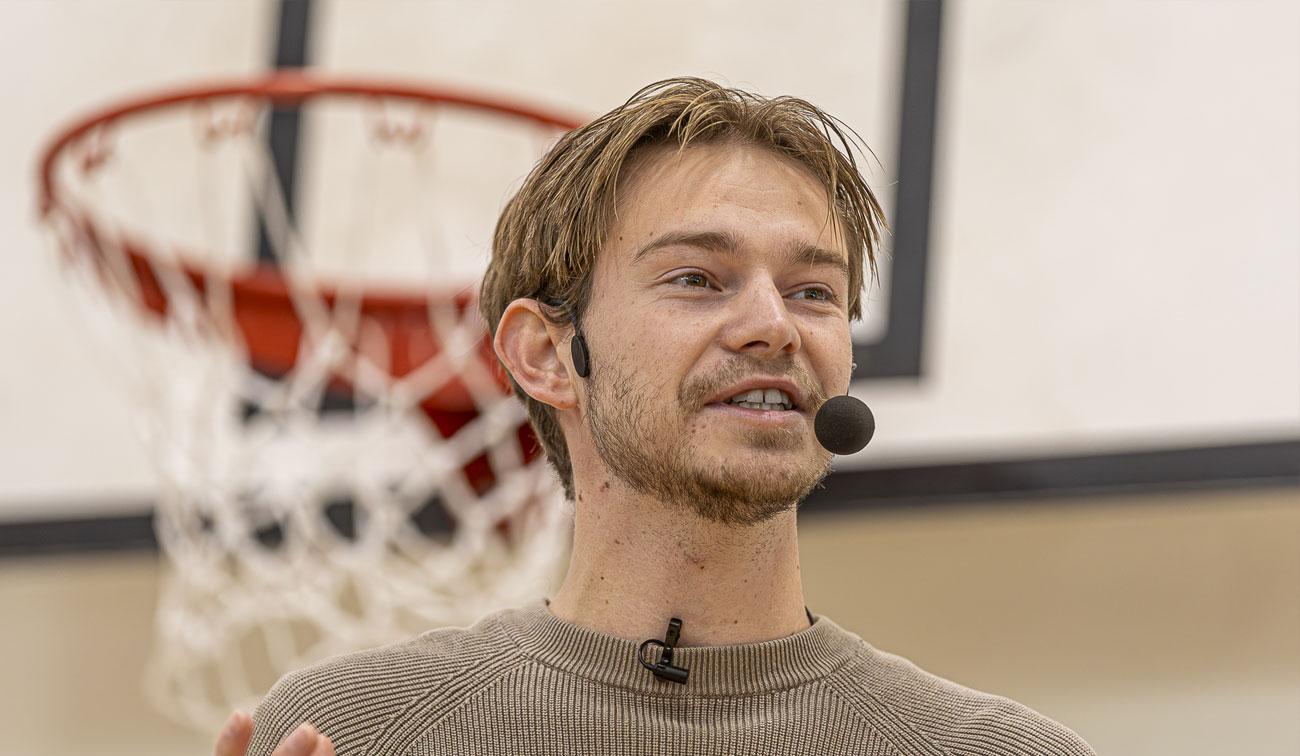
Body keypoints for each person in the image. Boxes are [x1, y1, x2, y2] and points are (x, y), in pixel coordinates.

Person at [214, 77, 1096, 756]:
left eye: (813, 292)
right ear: (546, 354)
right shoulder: (351, 731)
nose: (774, 325)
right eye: (696, 279)